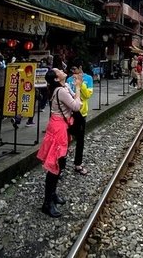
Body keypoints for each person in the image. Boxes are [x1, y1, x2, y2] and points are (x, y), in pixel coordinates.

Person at [37, 67, 81, 217]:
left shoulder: (63, 87)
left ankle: (53, 194)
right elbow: (76, 105)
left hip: (60, 126)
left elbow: (73, 98)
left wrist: (75, 88)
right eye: (59, 71)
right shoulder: (61, 91)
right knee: (55, 165)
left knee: (60, 162)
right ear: (56, 78)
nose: (63, 70)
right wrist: (79, 88)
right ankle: (47, 203)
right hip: (58, 129)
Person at [66, 60, 93, 175]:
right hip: (69, 112)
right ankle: (61, 164)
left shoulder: (88, 78)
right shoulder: (68, 79)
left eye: (74, 69)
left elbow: (88, 95)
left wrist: (80, 84)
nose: (73, 72)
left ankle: (78, 163)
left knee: (80, 140)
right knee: (66, 138)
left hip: (82, 112)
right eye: (71, 69)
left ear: (80, 67)